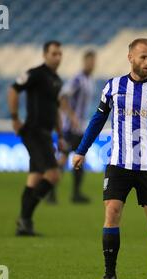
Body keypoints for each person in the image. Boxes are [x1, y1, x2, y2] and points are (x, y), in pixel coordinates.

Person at [72, 38, 147, 279]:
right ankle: (110, 274)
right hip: (118, 163)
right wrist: (81, 150)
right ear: (130, 58)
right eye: (143, 57)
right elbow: (97, 120)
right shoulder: (113, 86)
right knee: (111, 213)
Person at [7, 40, 64, 236]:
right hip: (34, 131)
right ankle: (24, 218)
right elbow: (13, 89)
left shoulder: (57, 80)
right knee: (53, 175)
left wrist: (60, 134)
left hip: (46, 134)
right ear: (45, 55)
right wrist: (15, 118)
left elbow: (55, 109)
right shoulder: (36, 74)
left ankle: (25, 224)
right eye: (54, 53)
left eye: (59, 54)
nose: (57, 57)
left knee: (35, 178)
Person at [47, 50, 97, 204]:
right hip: (69, 127)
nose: (92, 64)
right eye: (90, 61)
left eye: (94, 62)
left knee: (80, 158)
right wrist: (71, 116)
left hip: (80, 128)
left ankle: (76, 194)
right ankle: (50, 193)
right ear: (84, 61)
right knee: (62, 159)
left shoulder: (90, 80)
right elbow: (61, 98)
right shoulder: (77, 79)